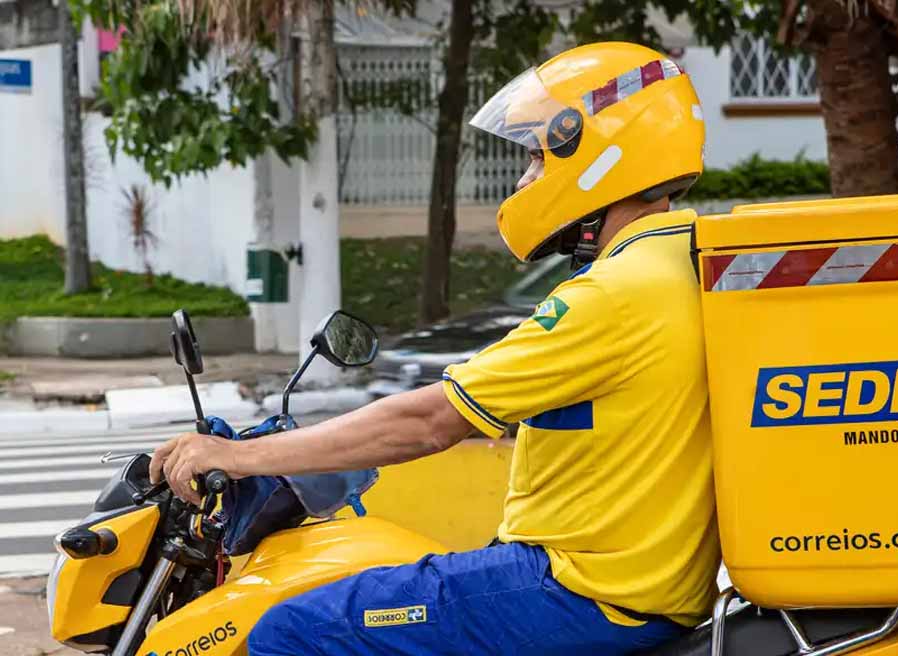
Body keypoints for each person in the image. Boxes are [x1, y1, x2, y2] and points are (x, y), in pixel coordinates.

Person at [149, 41, 721, 655]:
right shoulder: (689, 262)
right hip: (636, 585)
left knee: (294, 630)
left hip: (579, 590)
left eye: (535, 157)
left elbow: (430, 420)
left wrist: (240, 457)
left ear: (599, 153)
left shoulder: (614, 293)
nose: (527, 179)